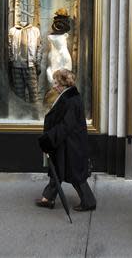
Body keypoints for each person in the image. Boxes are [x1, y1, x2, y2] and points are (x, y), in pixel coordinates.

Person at [36, 69, 96, 211]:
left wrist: (49, 139)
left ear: (64, 84)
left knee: (75, 175)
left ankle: (89, 202)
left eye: (56, 82)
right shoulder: (68, 96)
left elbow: (66, 125)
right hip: (66, 142)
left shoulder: (70, 100)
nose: (54, 85)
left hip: (70, 144)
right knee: (57, 170)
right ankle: (48, 198)